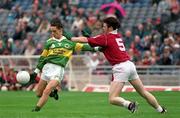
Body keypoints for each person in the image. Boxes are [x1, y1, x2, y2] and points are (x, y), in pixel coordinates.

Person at [71, 17, 167, 113]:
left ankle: (129, 104)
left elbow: (85, 40)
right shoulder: (117, 36)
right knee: (143, 92)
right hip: (130, 65)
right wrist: (92, 41)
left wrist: (71, 38)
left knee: (112, 99)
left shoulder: (106, 37)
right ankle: (160, 109)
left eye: (104, 26)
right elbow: (100, 47)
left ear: (110, 27)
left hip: (121, 67)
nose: (103, 28)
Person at [31, 18, 100, 112]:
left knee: (46, 91)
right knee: (39, 94)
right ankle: (53, 92)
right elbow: (43, 57)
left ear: (60, 30)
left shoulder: (70, 42)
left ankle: (35, 110)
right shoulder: (49, 42)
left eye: (54, 31)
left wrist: (99, 48)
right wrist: (36, 72)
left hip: (58, 70)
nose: (52, 33)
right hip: (46, 68)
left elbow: (85, 47)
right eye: (51, 31)